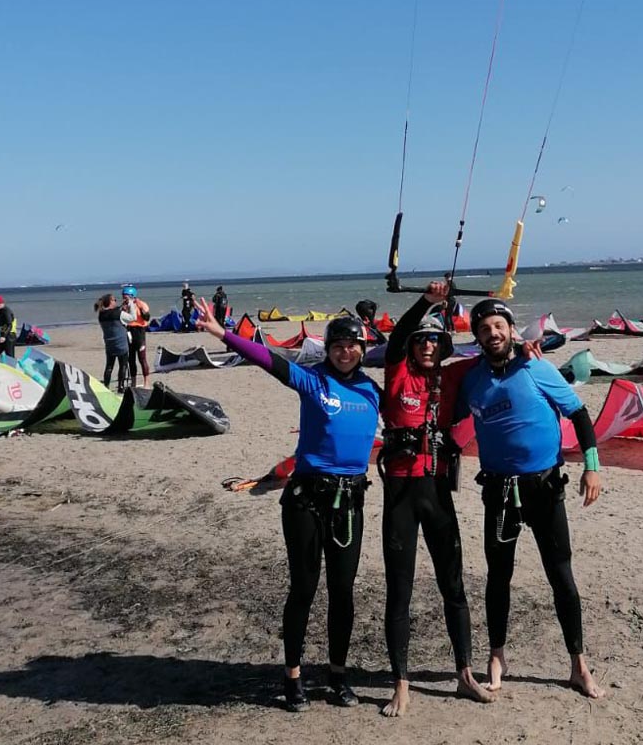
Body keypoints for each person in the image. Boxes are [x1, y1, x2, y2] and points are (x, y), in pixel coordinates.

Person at [194, 296, 380, 712]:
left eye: (353, 345)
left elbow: (415, 388)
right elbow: (268, 360)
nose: (345, 352)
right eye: (337, 346)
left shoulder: (372, 390)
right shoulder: (313, 381)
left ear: (363, 349)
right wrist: (223, 334)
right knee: (304, 588)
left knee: (343, 593)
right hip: (306, 500)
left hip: (349, 501)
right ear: (328, 349)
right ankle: (293, 676)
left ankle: (337, 674)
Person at [456, 297, 605, 699]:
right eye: (485, 329)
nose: (493, 334)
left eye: (499, 327)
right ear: (478, 338)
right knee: (498, 577)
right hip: (500, 491)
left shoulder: (536, 367)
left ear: (510, 329)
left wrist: (592, 465)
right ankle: (497, 656)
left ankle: (578, 664)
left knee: (561, 576)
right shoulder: (471, 379)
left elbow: (579, 414)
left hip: (544, 488)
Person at [377, 281, 492, 717]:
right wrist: (427, 302)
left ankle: (464, 675)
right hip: (402, 494)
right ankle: (401, 684)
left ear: (443, 346)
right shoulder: (396, 372)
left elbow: (493, 353)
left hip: (438, 492)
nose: (427, 346)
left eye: (434, 341)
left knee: (454, 587)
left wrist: (527, 350)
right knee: (399, 591)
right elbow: (394, 338)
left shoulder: (452, 374)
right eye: (421, 340)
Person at [94, 293, 134, 392]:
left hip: (109, 344)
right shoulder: (118, 313)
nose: (116, 301)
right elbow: (132, 318)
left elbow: (112, 313)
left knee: (109, 366)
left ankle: (106, 386)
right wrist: (131, 304)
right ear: (110, 302)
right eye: (114, 300)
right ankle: (120, 387)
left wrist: (122, 306)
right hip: (121, 343)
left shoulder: (101, 315)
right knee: (123, 365)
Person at [122, 285, 151, 388]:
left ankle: (146, 382)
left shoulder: (141, 304)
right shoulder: (124, 306)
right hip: (129, 331)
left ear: (132, 296)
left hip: (139, 332)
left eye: (126, 297)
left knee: (142, 358)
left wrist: (140, 307)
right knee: (131, 359)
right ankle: (133, 382)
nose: (124, 299)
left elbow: (147, 317)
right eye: (123, 297)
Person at [0, 295, 17, 362]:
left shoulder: (6, 311)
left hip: (9, 336)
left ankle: (12, 371)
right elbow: (2, 325)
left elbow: (8, 324)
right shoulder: (1, 311)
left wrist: (3, 336)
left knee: (10, 357)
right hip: (4, 336)